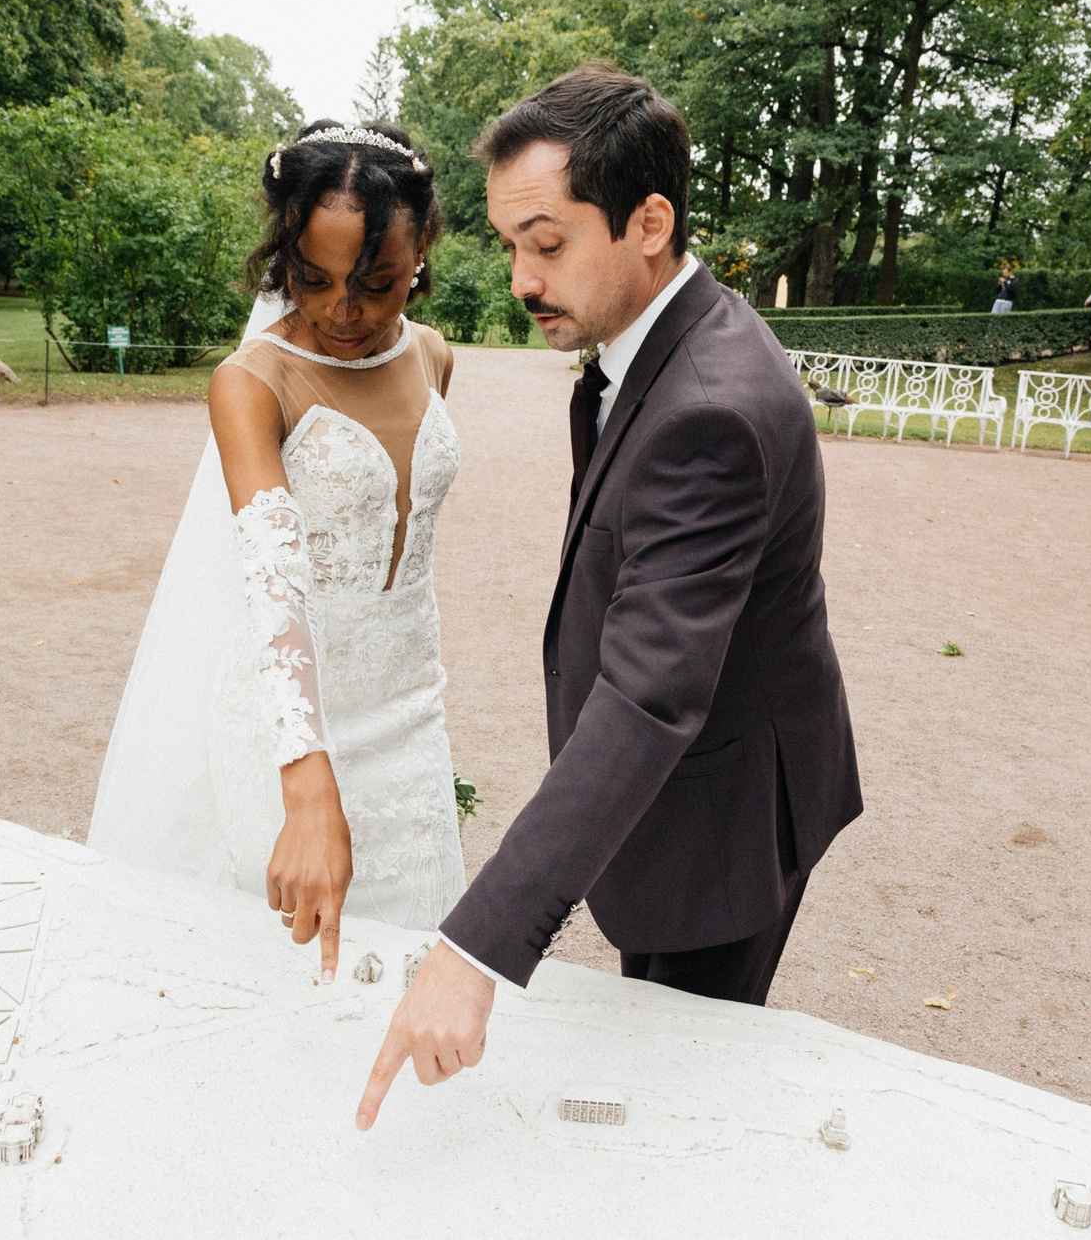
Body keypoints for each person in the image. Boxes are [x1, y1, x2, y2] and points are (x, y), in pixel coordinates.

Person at [357, 66, 862, 1130]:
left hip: (718, 825)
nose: (521, 279)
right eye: (509, 245)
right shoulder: (668, 337)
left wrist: (473, 948)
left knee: (675, 1104)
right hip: (699, 789)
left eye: (547, 244)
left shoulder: (708, 411)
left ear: (650, 223)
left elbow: (646, 696)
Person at [87, 120, 466, 985]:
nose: (343, 309)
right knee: (290, 990)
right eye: (313, 278)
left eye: (376, 282)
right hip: (290, 732)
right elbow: (273, 581)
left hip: (411, 722)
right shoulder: (252, 381)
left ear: (420, 254)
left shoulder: (435, 357)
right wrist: (306, 782)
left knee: (410, 979)